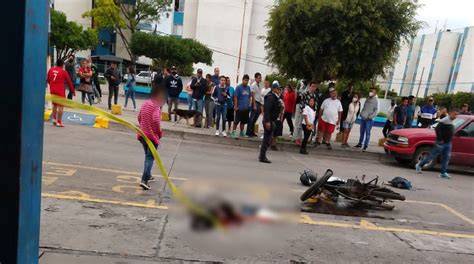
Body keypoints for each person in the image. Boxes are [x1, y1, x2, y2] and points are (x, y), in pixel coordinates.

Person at [416, 109, 459, 179]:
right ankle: (420, 165)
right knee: (432, 156)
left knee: (446, 158)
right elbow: (437, 129)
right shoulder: (445, 120)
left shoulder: (451, 121)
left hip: (448, 143)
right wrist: (440, 139)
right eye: (454, 114)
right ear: (450, 113)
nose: (455, 116)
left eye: (457, 115)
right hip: (441, 143)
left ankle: (443, 173)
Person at [137, 86, 165, 190]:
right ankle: (144, 180)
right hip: (152, 136)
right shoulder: (156, 106)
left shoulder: (145, 103)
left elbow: (139, 117)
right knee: (150, 158)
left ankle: (148, 175)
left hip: (142, 134)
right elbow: (156, 120)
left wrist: (143, 126)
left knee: (147, 156)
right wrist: (159, 132)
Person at [47, 59, 76, 127]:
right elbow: (69, 82)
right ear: (63, 65)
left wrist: (52, 85)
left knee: (54, 105)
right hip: (60, 91)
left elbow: (48, 80)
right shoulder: (63, 72)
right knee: (61, 106)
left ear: (56, 63)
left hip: (52, 89)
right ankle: (59, 122)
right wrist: (73, 91)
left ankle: (54, 118)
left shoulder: (51, 70)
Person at [259, 81, 282, 163]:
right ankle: (262, 156)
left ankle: (262, 155)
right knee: (267, 139)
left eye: (278, 88)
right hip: (268, 120)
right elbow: (267, 110)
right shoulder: (270, 97)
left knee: (268, 139)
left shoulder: (275, 97)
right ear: (273, 88)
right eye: (277, 88)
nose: (278, 90)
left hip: (272, 120)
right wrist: (267, 121)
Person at [246, 72, 263, 137]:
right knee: (252, 118)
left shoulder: (259, 85)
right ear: (255, 78)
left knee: (255, 118)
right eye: (259, 78)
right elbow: (253, 95)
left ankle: (252, 132)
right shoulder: (253, 85)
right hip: (255, 102)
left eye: (260, 78)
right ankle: (248, 132)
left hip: (259, 102)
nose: (260, 79)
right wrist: (254, 105)